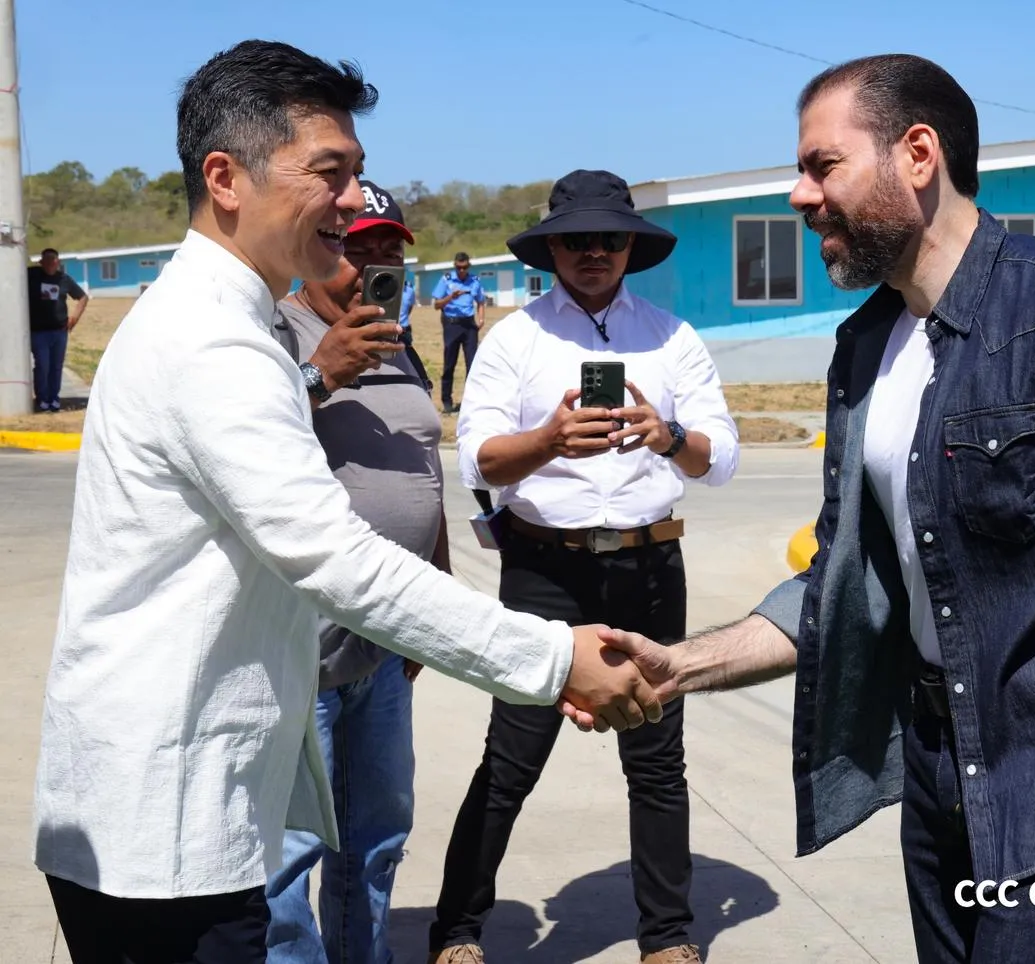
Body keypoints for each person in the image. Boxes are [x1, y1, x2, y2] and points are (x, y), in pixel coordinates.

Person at [568, 55, 1035, 964]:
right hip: (935, 770)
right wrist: (679, 667)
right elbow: (847, 577)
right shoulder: (866, 347)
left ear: (918, 154)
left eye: (823, 166)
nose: (799, 195)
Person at [32, 40, 660, 964]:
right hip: (166, 831)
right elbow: (333, 555)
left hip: (180, 806)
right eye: (329, 173)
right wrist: (552, 656)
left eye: (357, 174)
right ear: (226, 178)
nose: (353, 200)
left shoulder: (223, 320)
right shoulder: (214, 343)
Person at [429, 169, 740, 964]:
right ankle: (456, 931)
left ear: (631, 245)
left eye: (609, 238)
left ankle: (667, 937)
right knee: (511, 758)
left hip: (648, 565)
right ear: (552, 248)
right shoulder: (517, 339)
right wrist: (549, 441)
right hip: (546, 570)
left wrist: (667, 435)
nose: (594, 251)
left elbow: (722, 458)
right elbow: (477, 458)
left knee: (657, 759)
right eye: (576, 239)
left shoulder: (672, 337)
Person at [265, 179, 441, 963]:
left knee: (377, 837)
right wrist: (319, 372)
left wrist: (431, 602)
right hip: (303, 648)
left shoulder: (398, 342)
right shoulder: (276, 333)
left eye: (388, 252)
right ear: (315, 248)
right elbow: (244, 445)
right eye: (354, 249)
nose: (373, 267)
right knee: (290, 852)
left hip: (385, 641)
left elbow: (421, 470)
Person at [27, 247, 88, 412]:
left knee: (56, 366)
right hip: (38, 332)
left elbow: (82, 297)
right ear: (41, 262)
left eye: (53, 259)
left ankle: (54, 398)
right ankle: (42, 399)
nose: (50, 262)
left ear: (58, 262)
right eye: (46, 259)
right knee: (42, 365)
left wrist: (74, 318)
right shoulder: (31, 275)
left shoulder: (64, 279)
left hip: (59, 331)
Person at [432, 251, 485, 413]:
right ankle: (447, 401)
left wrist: (481, 319)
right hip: (452, 324)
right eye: (459, 268)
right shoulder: (446, 280)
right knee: (449, 363)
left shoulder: (474, 281)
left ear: (468, 266)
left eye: (465, 267)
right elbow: (436, 305)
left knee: (472, 364)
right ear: (455, 266)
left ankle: (471, 402)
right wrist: (451, 297)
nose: (462, 271)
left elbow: (481, 301)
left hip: (469, 325)